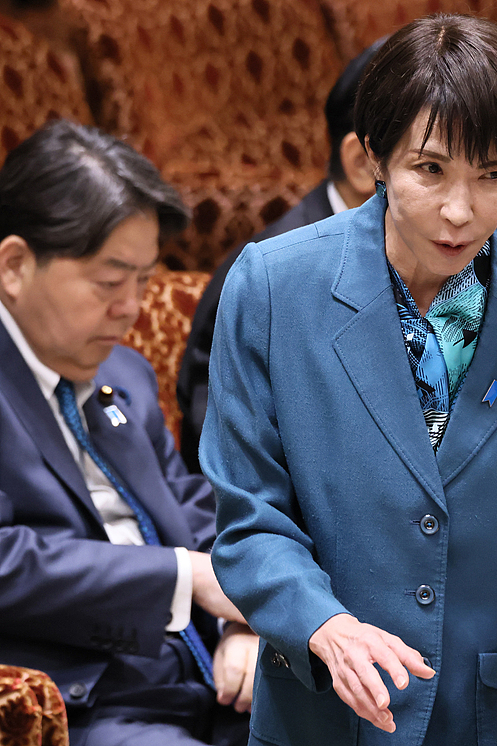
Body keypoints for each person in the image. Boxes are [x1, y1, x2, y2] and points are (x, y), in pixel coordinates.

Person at [202, 14, 497, 746]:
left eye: (493, 176)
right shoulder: (274, 287)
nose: (461, 212)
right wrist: (323, 625)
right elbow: (248, 520)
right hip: (329, 713)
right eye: (430, 171)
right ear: (373, 157)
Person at [0, 119, 258, 746]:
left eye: (144, 281)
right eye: (111, 282)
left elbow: (189, 504)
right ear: (14, 264)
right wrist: (183, 578)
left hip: (210, 680)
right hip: (85, 701)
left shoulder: (125, 371)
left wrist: (241, 624)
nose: (132, 309)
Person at [176, 39, 382, 472]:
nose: (457, 207)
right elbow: (226, 461)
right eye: (432, 166)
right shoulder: (264, 279)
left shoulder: (449, 263)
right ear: (362, 164)